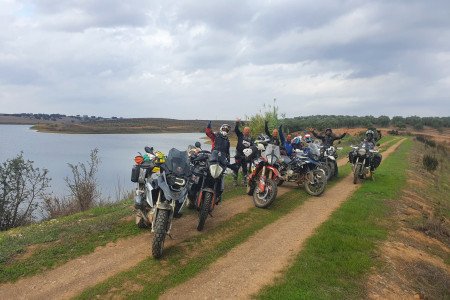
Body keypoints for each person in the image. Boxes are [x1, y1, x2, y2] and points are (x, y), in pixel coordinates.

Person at [205, 121, 231, 203]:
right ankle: (200, 188)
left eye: (227, 130)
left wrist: (228, 160)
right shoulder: (216, 136)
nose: (225, 130)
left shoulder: (228, 141)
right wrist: (209, 126)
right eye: (224, 129)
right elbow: (209, 133)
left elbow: (227, 152)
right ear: (221, 129)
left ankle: (218, 194)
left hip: (221, 161)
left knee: (221, 176)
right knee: (205, 172)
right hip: (213, 158)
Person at [233, 119, 253, 186]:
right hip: (238, 154)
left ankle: (244, 181)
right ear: (243, 131)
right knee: (236, 168)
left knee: (245, 169)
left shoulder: (251, 138)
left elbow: (252, 147)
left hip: (245, 155)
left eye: (248, 131)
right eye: (246, 130)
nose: (247, 132)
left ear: (249, 132)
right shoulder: (240, 135)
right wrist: (237, 123)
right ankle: (235, 181)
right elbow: (236, 130)